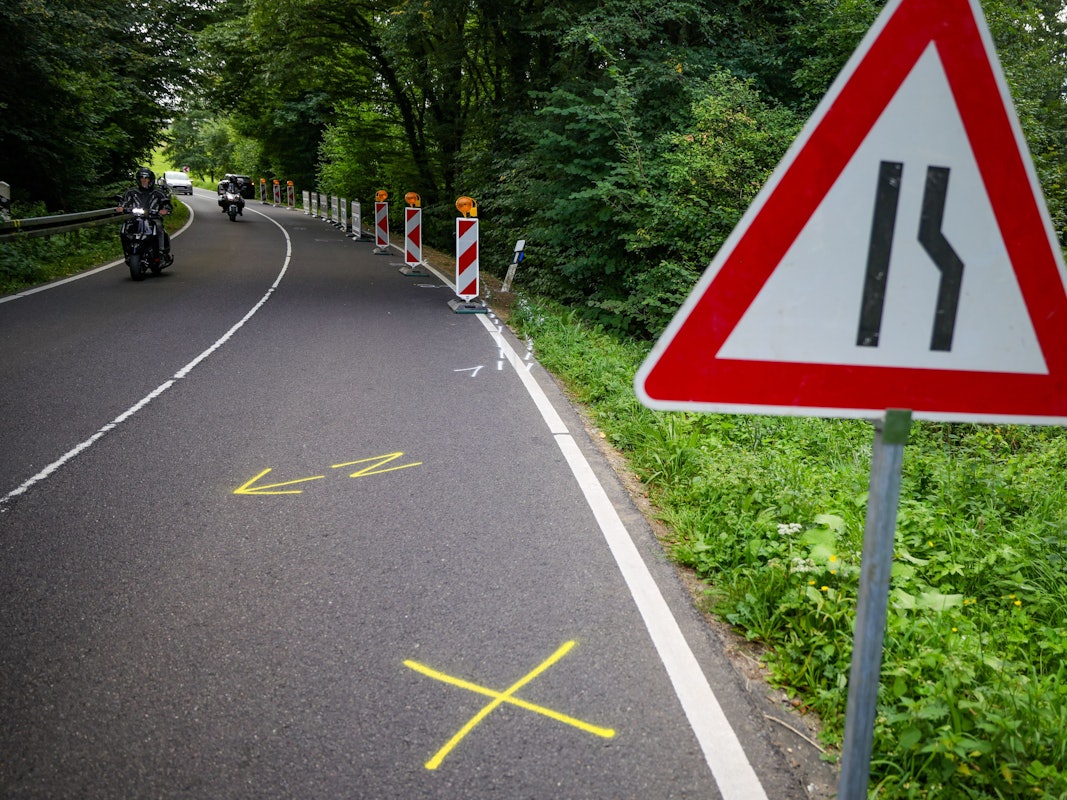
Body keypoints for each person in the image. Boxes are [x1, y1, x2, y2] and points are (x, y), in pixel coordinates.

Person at [117, 167, 173, 264]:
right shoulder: (131, 192)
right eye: (142, 178)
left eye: (146, 178)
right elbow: (123, 202)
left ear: (150, 180)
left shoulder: (157, 193)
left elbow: (166, 204)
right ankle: (127, 253)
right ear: (138, 180)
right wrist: (121, 207)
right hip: (135, 218)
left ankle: (160, 251)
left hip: (153, 218)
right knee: (124, 229)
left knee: (158, 227)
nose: (144, 180)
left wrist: (165, 210)